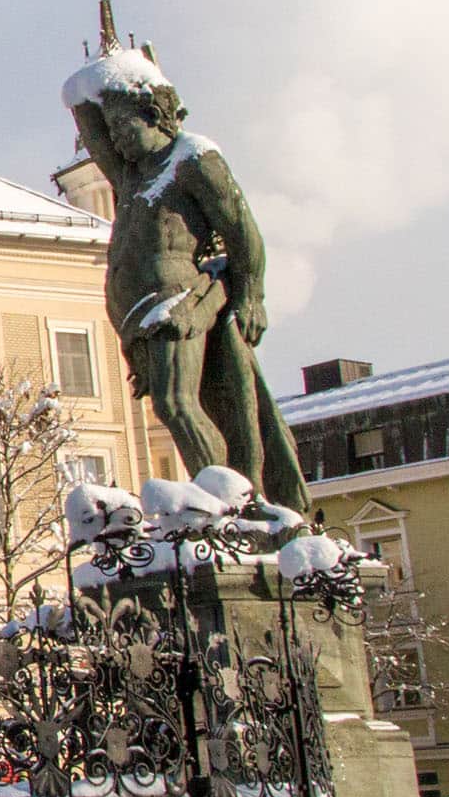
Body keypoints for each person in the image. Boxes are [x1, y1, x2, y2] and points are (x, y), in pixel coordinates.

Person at [64, 48, 309, 512]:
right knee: (177, 407)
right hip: (141, 314)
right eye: (113, 130)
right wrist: (91, 91)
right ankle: (225, 495)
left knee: (177, 405)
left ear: (156, 116)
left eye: (126, 127)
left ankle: (230, 503)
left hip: (178, 304)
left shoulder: (192, 159)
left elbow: (243, 231)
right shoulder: (134, 175)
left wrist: (252, 296)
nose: (118, 140)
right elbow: (87, 121)